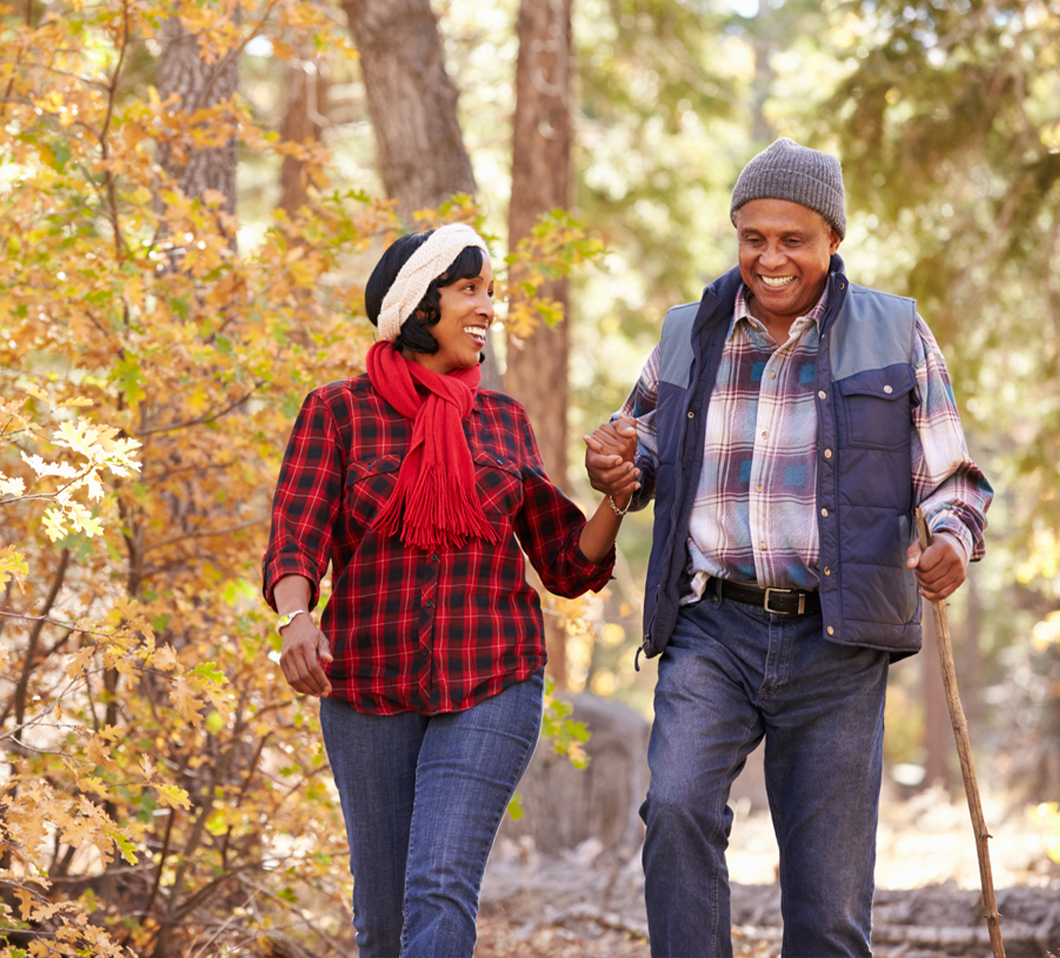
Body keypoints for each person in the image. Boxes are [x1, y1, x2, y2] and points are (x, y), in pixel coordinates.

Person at [585, 138, 993, 957]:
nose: (770, 258)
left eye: (793, 240)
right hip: (712, 628)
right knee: (675, 810)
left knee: (828, 896)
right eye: (753, 238)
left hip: (836, 640)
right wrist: (619, 460)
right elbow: (649, 447)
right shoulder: (687, 331)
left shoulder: (896, 330)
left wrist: (951, 535)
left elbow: (953, 479)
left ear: (833, 239)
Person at [262, 223, 635, 958]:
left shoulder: (501, 421)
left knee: (438, 883)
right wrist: (296, 619)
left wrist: (615, 497)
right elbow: (294, 534)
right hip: (365, 686)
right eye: (469, 289)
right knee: (383, 914)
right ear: (418, 306)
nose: (487, 307)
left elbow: (564, 563)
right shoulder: (337, 412)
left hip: (491, 679)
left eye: (489, 291)